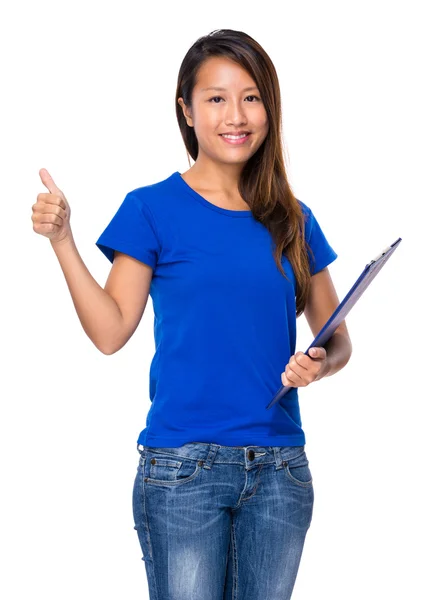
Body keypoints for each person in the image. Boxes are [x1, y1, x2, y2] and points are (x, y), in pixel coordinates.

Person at [32, 28, 352, 600]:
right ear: (186, 110)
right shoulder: (151, 208)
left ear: (269, 108)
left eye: (251, 97)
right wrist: (62, 240)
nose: (236, 115)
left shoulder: (293, 219)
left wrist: (319, 363)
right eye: (216, 98)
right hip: (183, 472)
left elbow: (338, 339)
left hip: (280, 469)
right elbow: (109, 333)